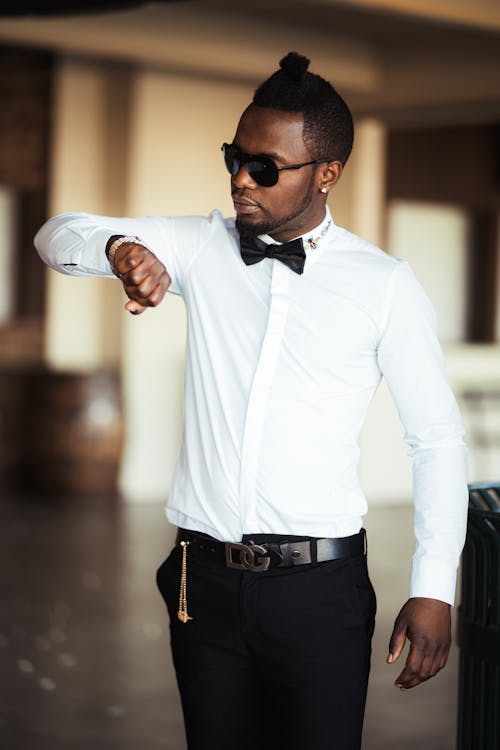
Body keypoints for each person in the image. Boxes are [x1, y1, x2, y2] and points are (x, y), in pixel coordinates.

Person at [35, 52, 468, 750]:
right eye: (235, 157)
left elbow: (437, 440)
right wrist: (119, 247)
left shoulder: (384, 285)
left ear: (326, 173)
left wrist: (434, 585)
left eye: (266, 167)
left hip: (321, 592)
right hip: (199, 585)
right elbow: (55, 235)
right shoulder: (202, 246)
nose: (242, 178)